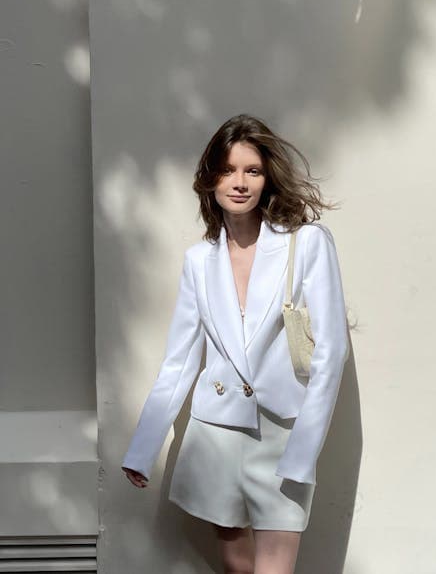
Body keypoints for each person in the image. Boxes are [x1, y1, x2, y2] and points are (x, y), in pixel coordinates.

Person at [121, 113, 350, 574]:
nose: (239, 183)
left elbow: (331, 353)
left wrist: (303, 450)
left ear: (268, 179)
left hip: (282, 434)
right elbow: (180, 360)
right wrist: (143, 447)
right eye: (227, 170)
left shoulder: (306, 244)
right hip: (216, 436)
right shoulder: (198, 261)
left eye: (252, 170)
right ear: (209, 180)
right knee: (235, 569)